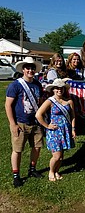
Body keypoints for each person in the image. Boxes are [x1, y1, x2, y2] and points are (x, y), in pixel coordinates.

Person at [5, 57, 44, 188]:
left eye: (32, 68)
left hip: (35, 122)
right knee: (17, 150)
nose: (30, 70)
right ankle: (16, 175)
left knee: (37, 147)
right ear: (23, 69)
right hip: (20, 122)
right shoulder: (15, 85)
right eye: (28, 67)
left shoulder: (37, 84)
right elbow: (8, 105)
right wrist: (13, 124)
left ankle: (32, 169)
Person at [36, 79, 76, 182]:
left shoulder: (69, 101)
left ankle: (56, 171)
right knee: (57, 155)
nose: (59, 90)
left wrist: (73, 129)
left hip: (65, 130)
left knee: (61, 156)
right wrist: (47, 126)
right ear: (53, 89)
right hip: (54, 131)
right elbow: (38, 114)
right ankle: (51, 171)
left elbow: (72, 116)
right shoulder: (50, 101)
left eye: (61, 88)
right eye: (57, 88)